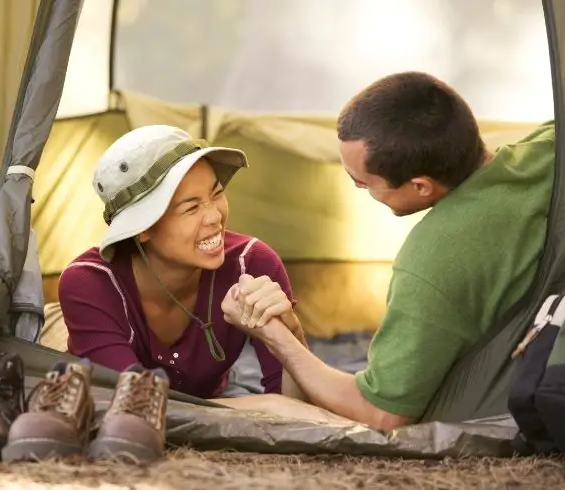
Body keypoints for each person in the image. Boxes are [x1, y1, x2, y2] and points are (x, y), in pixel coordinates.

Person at [221, 71, 555, 430]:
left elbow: (381, 413)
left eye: (363, 183)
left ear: (420, 186)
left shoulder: (435, 257)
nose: (358, 188)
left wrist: (276, 336)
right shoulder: (551, 146)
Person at [58, 124, 307, 399]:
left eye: (217, 193)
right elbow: (137, 404)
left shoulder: (252, 265)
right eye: (191, 207)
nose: (215, 217)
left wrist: (290, 333)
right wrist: (263, 409)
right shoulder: (88, 284)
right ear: (142, 228)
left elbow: (294, 405)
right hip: (66, 337)